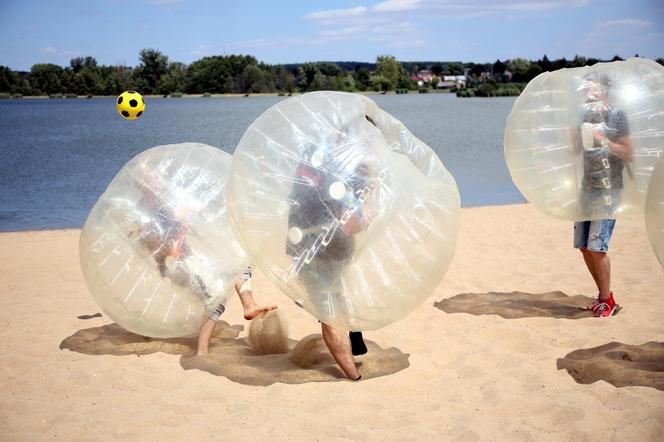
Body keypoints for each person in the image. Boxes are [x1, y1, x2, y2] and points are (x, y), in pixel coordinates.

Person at [286, 115, 379, 380]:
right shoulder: (352, 170)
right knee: (332, 306)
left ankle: (353, 361)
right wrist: (366, 214)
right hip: (318, 247)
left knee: (331, 305)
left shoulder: (315, 155)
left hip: (311, 245)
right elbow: (350, 224)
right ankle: (354, 372)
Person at [573, 72, 633, 317]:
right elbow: (575, 151)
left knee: (597, 247)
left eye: (592, 86)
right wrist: (576, 138)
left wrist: (602, 140)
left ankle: (608, 301)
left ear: (604, 90)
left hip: (609, 189)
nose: (587, 91)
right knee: (584, 246)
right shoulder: (585, 115)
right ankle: (602, 297)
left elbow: (629, 153)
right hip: (587, 186)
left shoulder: (617, 115)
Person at [197, 266, 278, 355]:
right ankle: (202, 351)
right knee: (216, 298)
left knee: (242, 261)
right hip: (185, 266)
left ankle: (249, 305)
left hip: (194, 262)